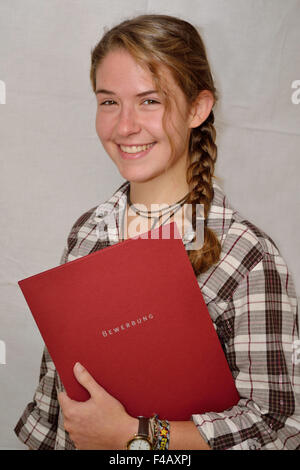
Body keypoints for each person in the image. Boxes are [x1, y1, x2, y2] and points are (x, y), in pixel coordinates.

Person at [14, 14, 300, 450]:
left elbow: (278, 425)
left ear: (198, 109)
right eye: (108, 101)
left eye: (150, 101)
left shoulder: (246, 255)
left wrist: (137, 436)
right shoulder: (87, 230)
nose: (124, 126)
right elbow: (60, 401)